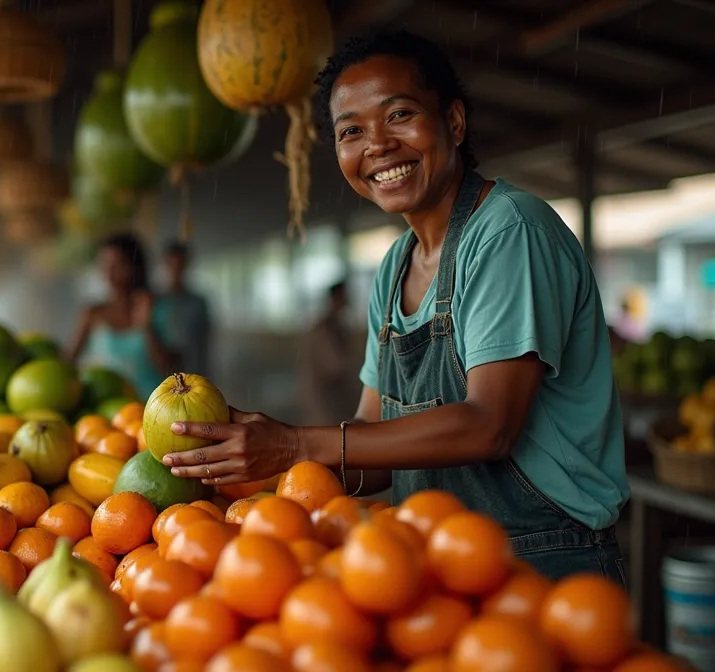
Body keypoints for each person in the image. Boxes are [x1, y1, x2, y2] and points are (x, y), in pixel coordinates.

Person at [160, 30, 629, 583]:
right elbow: (372, 438)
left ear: (453, 123)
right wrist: (260, 477)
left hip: (538, 556)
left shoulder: (509, 232)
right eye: (351, 131)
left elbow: (490, 426)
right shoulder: (394, 267)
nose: (376, 145)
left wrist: (294, 444)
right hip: (427, 559)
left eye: (399, 114)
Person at [67, 234, 174, 400]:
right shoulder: (93, 314)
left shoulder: (158, 309)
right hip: (107, 409)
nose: (109, 272)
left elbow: (168, 369)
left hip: (152, 406)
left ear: (136, 267)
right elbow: (67, 362)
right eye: (105, 265)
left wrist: (146, 327)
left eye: (118, 265)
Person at [298, 282, 362, 425]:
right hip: (324, 399)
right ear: (335, 299)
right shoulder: (324, 329)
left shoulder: (338, 327)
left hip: (333, 399)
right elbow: (336, 366)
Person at [156, 242, 213, 378]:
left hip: (191, 371)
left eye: (179, 265)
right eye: (171, 265)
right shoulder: (155, 302)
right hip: (161, 373)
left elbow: (203, 343)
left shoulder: (197, 303)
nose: (175, 270)